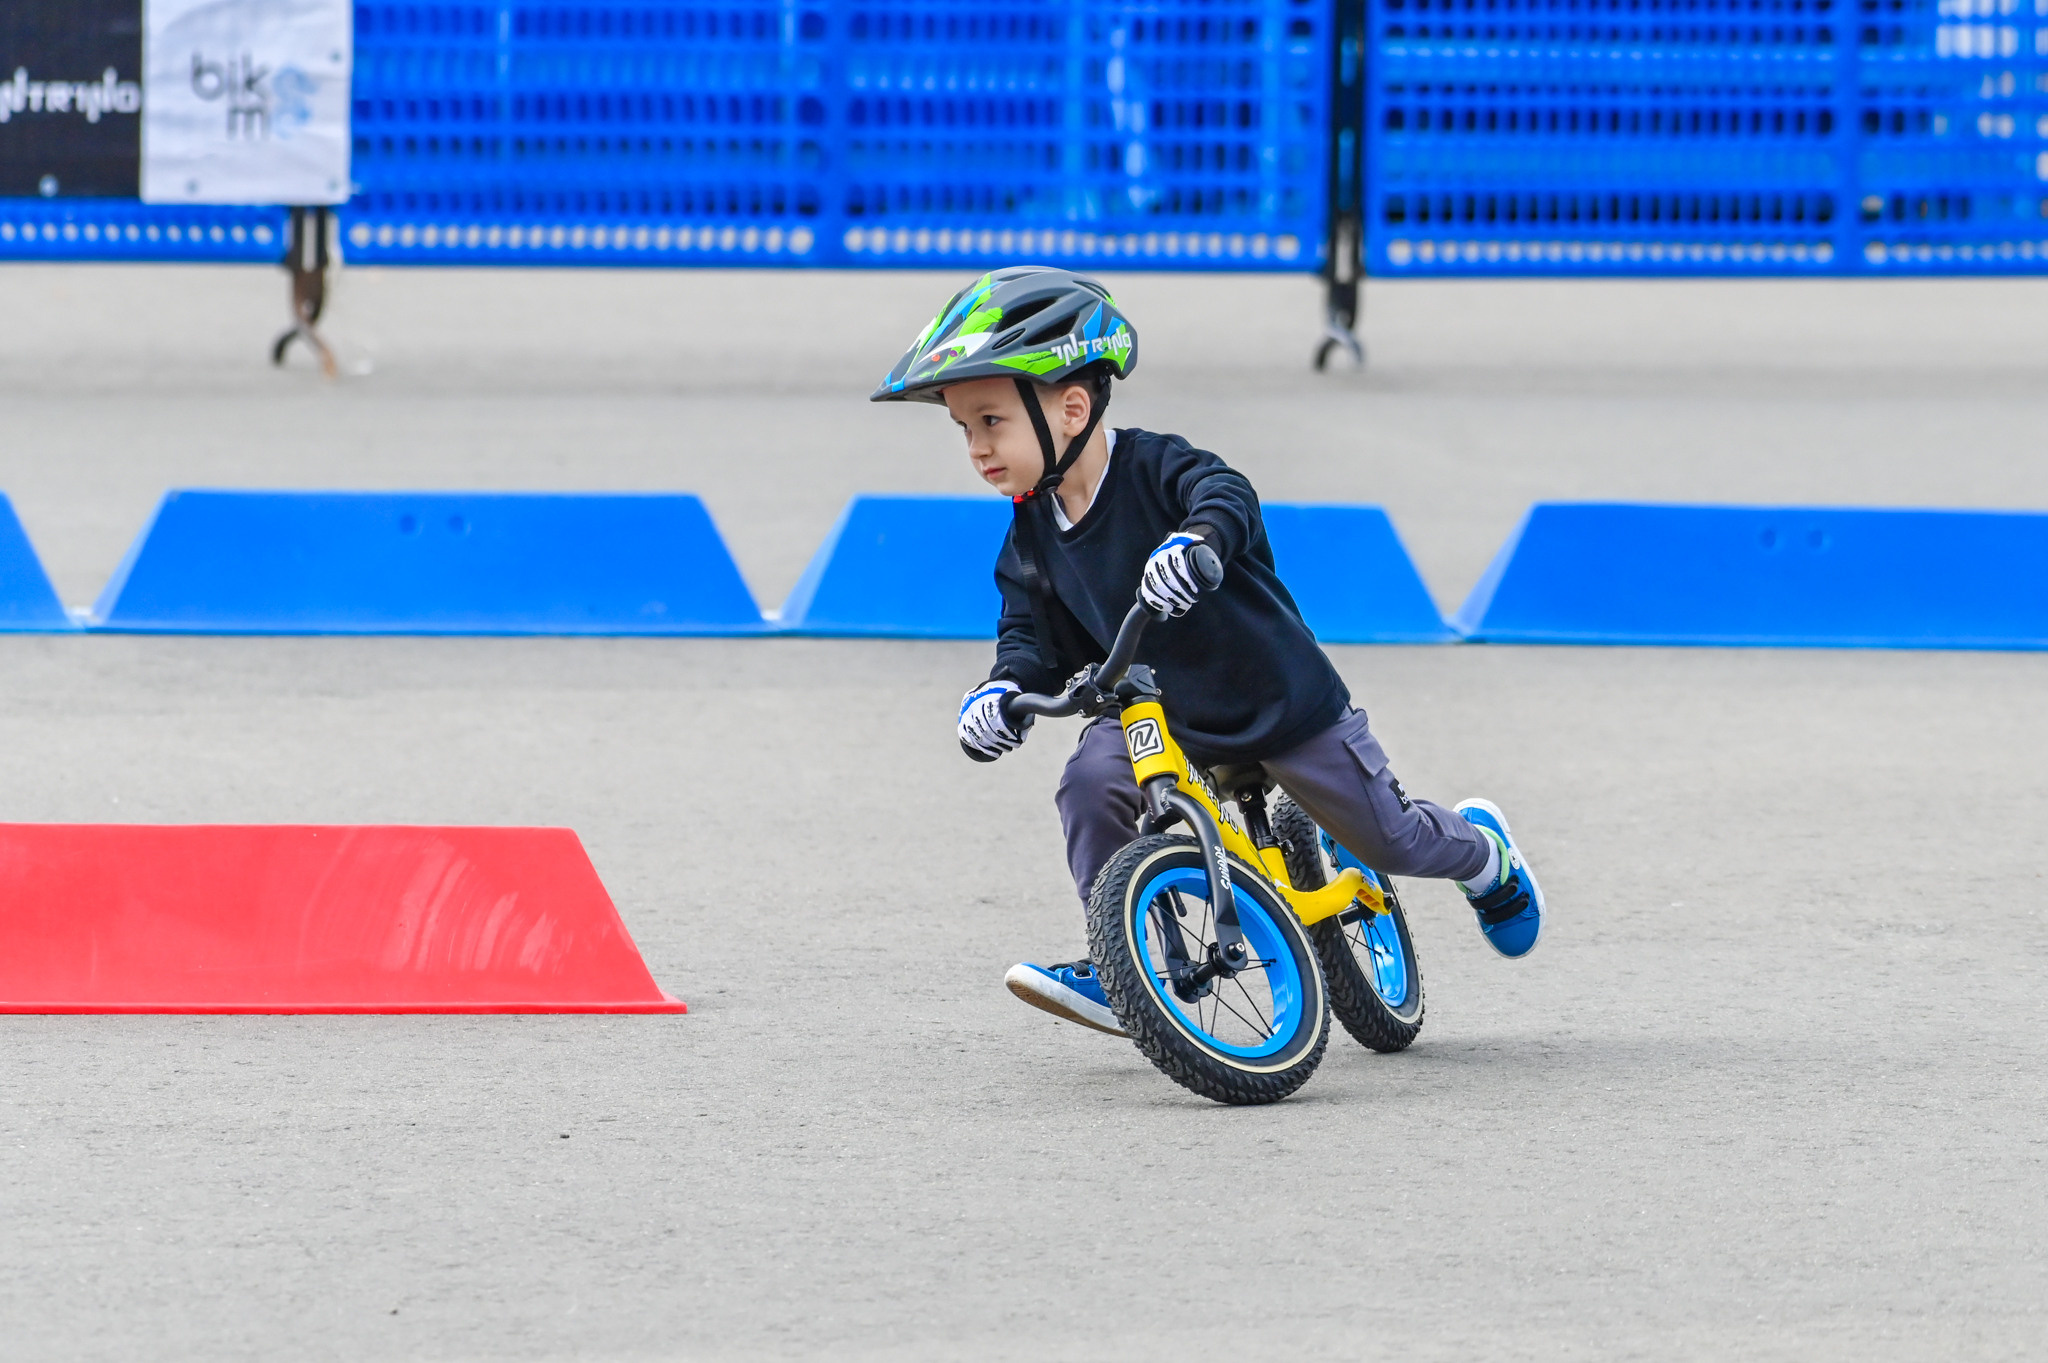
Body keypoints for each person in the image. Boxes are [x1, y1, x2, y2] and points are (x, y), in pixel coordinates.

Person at [871, 266, 1544, 1038]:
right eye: (964, 429)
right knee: (1091, 783)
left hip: (1278, 701)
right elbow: (1030, 638)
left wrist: (1196, 541)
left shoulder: (1155, 468)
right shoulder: (1030, 534)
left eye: (991, 421)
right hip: (1158, 713)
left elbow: (1226, 494)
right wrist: (999, 694)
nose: (976, 448)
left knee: (1389, 836)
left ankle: (1484, 856)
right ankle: (1126, 958)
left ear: (1071, 407)